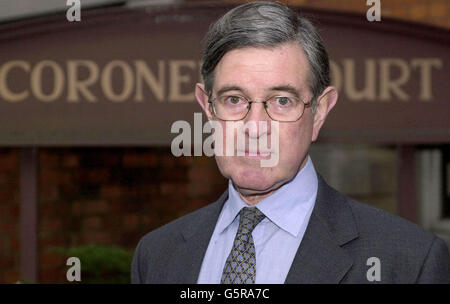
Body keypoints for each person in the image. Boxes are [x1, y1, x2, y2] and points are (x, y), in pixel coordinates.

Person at [131, 1, 450, 283]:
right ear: (207, 107)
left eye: (282, 101)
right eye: (233, 99)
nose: (254, 127)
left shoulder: (409, 262)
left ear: (320, 112)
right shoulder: (157, 256)